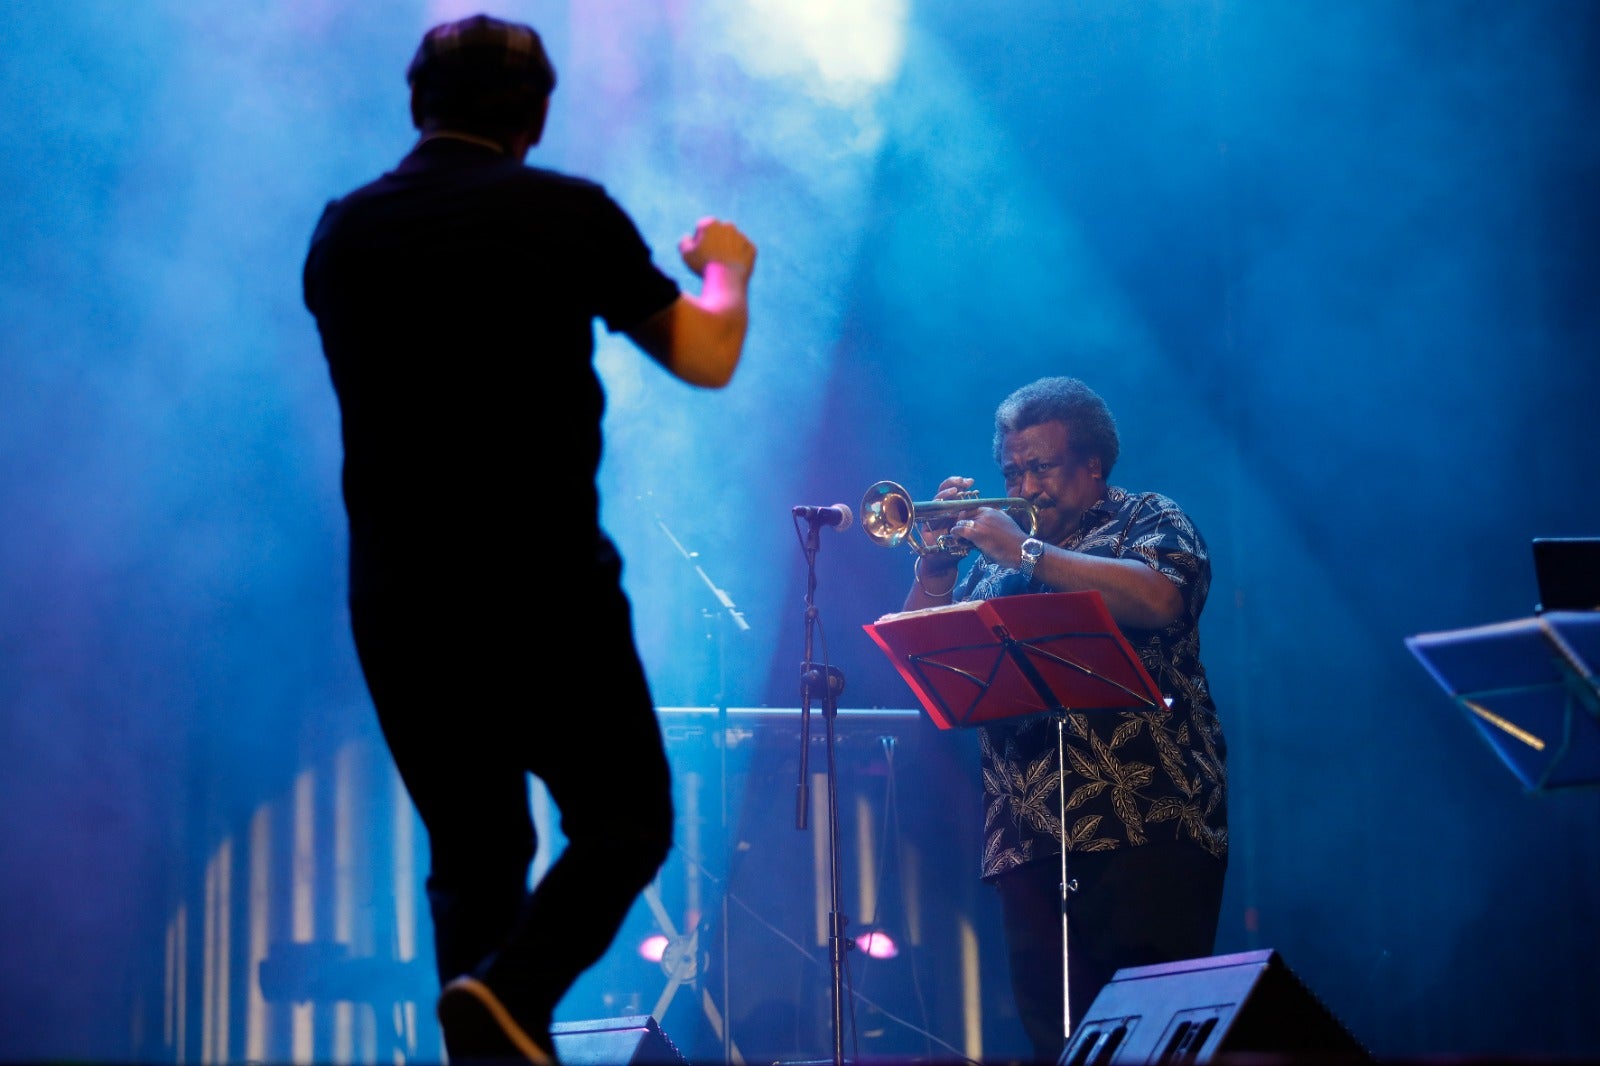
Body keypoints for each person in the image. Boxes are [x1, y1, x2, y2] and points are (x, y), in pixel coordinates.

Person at [301, 14, 756, 1064]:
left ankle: (493, 1036)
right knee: (625, 817)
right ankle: (511, 990)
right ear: (537, 115)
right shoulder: (564, 214)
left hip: (399, 596)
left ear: (418, 104)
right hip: (539, 579)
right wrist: (725, 267)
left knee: (473, 853)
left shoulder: (344, 231)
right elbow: (704, 355)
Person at [901, 376, 1227, 1064]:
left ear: (1093, 465)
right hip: (1030, 838)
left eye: (1040, 468)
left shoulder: (1146, 517)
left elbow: (1162, 598)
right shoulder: (993, 567)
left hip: (1149, 823)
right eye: (1012, 471)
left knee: (1158, 1040)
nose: (1025, 487)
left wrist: (1026, 552)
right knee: (1059, 1043)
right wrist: (935, 568)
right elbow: (922, 659)